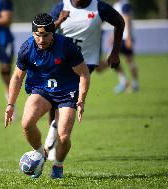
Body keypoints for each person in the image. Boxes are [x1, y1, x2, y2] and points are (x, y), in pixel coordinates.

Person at [4, 13, 90, 179]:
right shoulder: (27, 48)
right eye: (38, 36)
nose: (41, 40)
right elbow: (17, 76)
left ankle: (58, 165)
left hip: (66, 92)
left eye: (45, 36)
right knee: (27, 123)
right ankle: (40, 154)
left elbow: (84, 73)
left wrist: (81, 101)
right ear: (33, 34)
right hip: (41, 89)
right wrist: (10, 104)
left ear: (53, 33)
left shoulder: (67, 46)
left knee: (63, 137)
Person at [45, 0, 125, 160]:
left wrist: (115, 52)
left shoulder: (99, 7)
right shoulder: (62, 7)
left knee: (66, 97)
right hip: (61, 61)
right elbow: (44, 31)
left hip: (86, 62)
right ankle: (54, 133)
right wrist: (60, 20)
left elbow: (120, 22)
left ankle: (54, 138)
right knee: (54, 101)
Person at [111, 0, 139, 93]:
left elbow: (128, 20)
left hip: (125, 37)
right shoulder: (116, 5)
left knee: (129, 61)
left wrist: (128, 37)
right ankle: (124, 82)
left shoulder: (124, 4)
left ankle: (134, 84)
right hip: (119, 37)